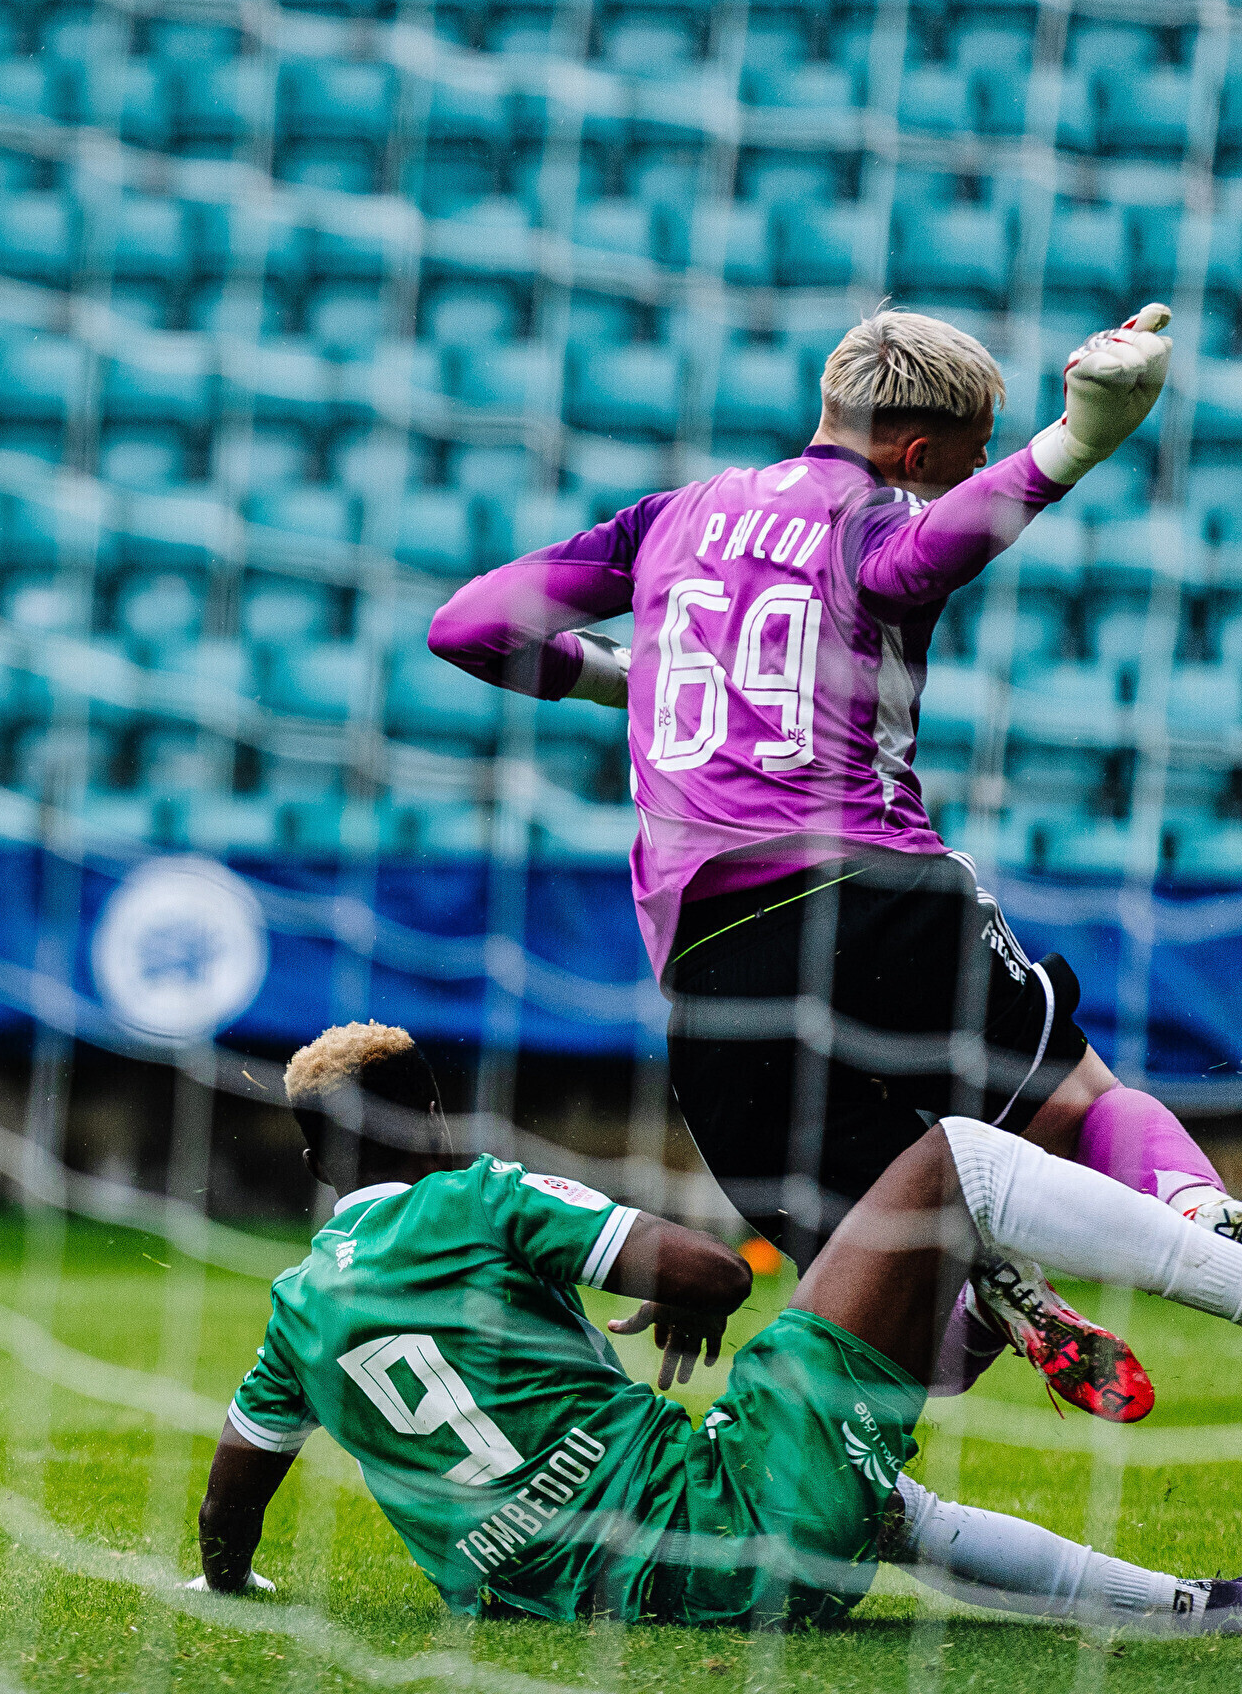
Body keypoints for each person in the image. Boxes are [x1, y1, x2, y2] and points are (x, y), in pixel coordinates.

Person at [426, 304, 1229, 1420]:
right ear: (918, 452)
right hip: (873, 892)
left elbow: (467, 627)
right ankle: (1200, 1216)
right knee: (1085, 1107)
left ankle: (984, 1286)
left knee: (898, 1324)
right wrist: (1078, 439)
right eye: (969, 454)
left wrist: (624, 676)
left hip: (713, 961)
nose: (973, 472)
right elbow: (925, 553)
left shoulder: (668, 518)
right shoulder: (875, 520)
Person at [193, 1022, 1242, 1630]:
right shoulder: (475, 1196)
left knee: (877, 1500)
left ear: (316, 1164)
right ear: (432, 1118)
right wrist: (691, 1291)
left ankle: (1192, 1608)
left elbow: (229, 1496)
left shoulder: (297, 1307)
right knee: (958, 1159)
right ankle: (1187, 1255)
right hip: (727, 1518)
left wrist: (226, 1577)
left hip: (591, 1592)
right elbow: (712, 1271)